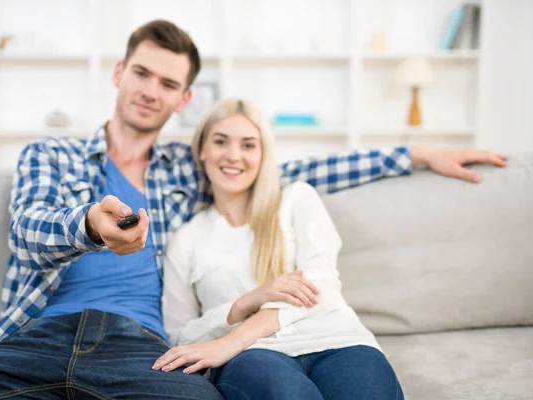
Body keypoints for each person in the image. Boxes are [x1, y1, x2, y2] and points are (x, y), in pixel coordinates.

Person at [0, 19, 506, 399]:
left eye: (168, 82)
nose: (150, 90)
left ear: (185, 99)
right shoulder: (51, 155)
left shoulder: (188, 169)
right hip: (37, 333)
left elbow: (286, 173)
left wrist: (415, 152)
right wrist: (89, 225)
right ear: (119, 73)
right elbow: (28, 232)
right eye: (141, 73)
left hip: (139, 344)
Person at [155, 97, 405, 399]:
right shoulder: (187, 238)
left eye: (248, 145)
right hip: (254, 355)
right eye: (221, 142)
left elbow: (321, 285)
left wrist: (232, 340)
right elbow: (179, 334)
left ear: (263, 154)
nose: (234, 155)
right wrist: (244, 303)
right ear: (202, 150)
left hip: (337, 338)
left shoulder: (297, 199)